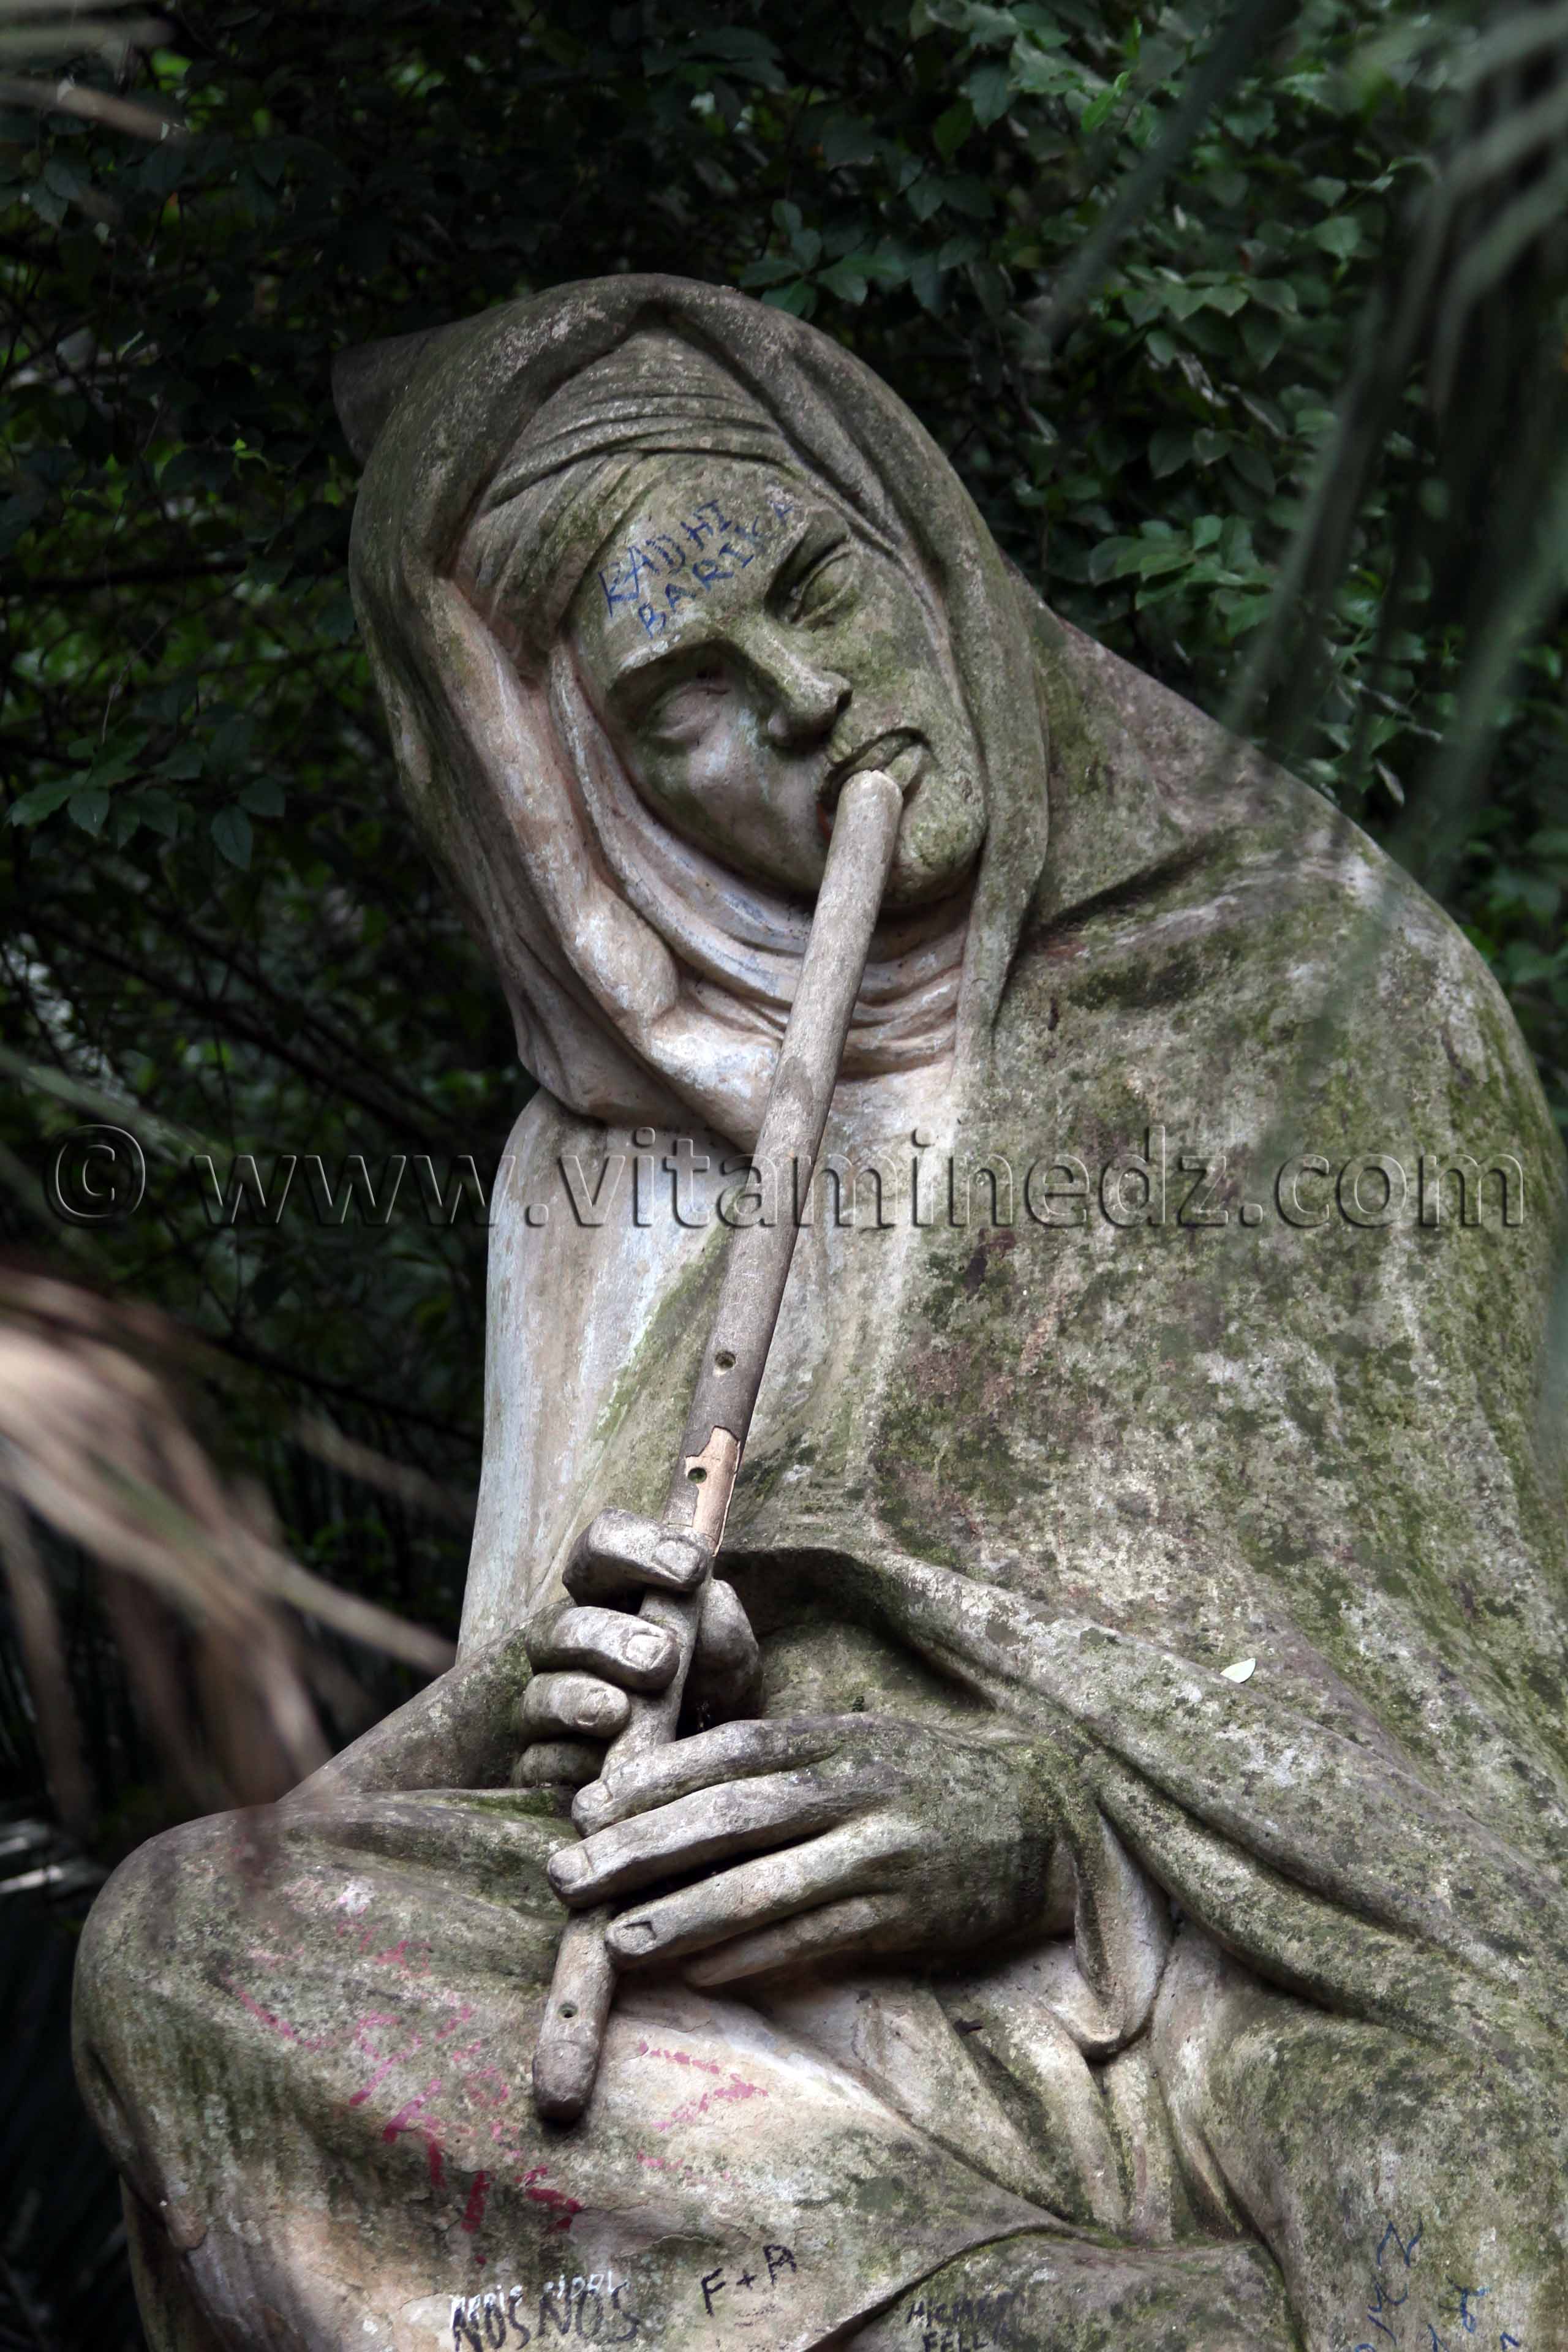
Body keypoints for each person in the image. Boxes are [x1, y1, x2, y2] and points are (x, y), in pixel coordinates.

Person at [76, 277, 1568, 2352]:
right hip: (762, 2091)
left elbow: (1460, 1756)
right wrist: (548, 1713)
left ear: (915, 545)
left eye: (811, 581)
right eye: (685, 690)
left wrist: (1052, 1834)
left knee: (1493, 2216)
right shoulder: (595, 1172)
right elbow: (497, 1819)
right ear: (586, 799)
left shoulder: (1322, 1003)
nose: (799, 693)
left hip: (1252, 2014)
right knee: (184, 1946)